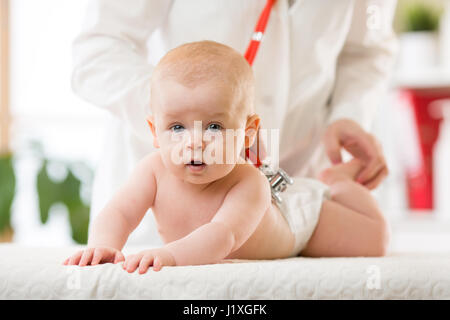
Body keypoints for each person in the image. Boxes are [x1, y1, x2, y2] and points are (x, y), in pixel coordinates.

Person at [71, 0, 397, 246]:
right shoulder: (151, 174)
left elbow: (365, 51)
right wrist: (183, 118)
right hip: (160, 212)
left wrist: (350, 113)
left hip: (294, 188)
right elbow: (98, 49)